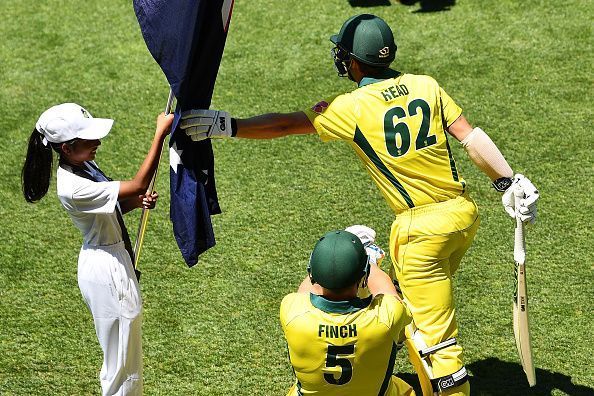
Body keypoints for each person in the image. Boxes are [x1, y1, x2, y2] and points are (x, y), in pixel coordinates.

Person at [179, 14, 539, 396]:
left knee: (437, 339)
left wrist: (227, 125)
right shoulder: (425, 85)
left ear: (353, 62)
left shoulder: (352, 107)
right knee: (414, 310)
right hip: (462, 216)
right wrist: (508, 180)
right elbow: (470, 137)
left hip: (420, 232)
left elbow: (286, 125)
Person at [22, 103, 174, 395]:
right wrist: (159, 135)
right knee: (121, 370)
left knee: (126, 360)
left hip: (110, 257)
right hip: (107, 268)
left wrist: (135, 202)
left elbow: (113, 206)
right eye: (89, 139)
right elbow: (139, 183)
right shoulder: (72, 186)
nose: (98, 143)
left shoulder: (82, 165)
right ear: (67, 148)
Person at [281, 226, 414, 396]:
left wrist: (330, 261)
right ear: (364, 273)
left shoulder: (292, 311)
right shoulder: (386, 316)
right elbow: (388, 293)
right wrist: (369, 260)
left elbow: (308, 290)